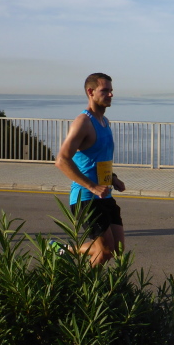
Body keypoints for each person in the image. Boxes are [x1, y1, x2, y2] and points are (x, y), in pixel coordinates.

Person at [54, 72, 126, 265]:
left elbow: (98, 160)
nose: (110, 94)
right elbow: (61, 160)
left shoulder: (104, 122)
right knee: (104, 251)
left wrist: (113, 178)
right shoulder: (83, 122)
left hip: (104, 195)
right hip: (85, 197)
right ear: (90, 92)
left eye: (111, 90)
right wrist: (92, 186)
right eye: (105, 90)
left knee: (117, 250)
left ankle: (65, 250)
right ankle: (83, 285)